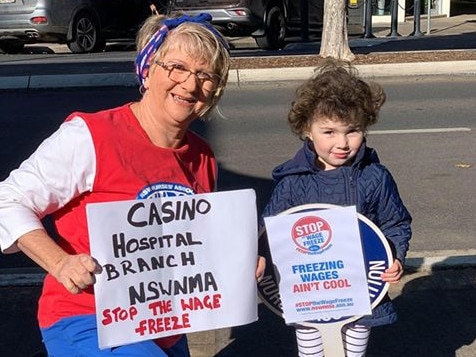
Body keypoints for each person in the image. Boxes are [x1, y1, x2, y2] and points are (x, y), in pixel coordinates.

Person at [0, 13, 264, 357]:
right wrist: (60, 263)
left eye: (206, 75)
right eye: (177, 67)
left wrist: (239, 262)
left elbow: (191, 243)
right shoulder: (91, 136)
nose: (190, 84)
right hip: (86, 320)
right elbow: (9, 199)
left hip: (164, 325)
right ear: (148, 69)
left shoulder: (202, 155)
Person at [261, 59, 412, 357]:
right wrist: (259, 261)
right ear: (307, 129)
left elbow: (395, 223)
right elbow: (268, 232)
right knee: (313, 352)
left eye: (352, 131)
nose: (342, 143)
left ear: (365, 127)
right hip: (311, 300)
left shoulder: (375, 177)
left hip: (362, 296)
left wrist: (394, 256)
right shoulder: (292, 184)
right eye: (329, 132)